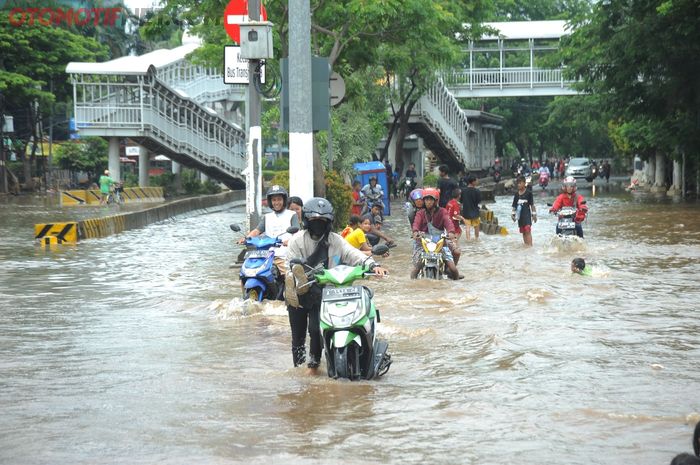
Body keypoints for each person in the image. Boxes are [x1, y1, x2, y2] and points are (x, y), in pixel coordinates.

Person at [284, 197, 388, 373]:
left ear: (329, 222)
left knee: (317, 329)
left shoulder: (336, 240)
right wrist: (296, 274)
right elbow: (289, 265)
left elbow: (354, 255)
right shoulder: (296, 241)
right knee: (298, 336)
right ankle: (299, 369)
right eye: (315, 221)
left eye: (322, 221)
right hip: (298, 290)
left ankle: (314, 365)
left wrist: (373, 265)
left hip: (324, 292)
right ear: (308, 221)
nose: (318, 225)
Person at [238, 185, 300, 286]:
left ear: (284, 200)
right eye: (274, 200)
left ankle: (290, 298)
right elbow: (257, 231)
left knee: (289, 278)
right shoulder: (267, 217)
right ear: (270, 201)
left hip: (284, 255)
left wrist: (290, 241)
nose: (276, 202)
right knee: (246, 273)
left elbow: (297, 232)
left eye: (279, 199)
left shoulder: (291, 214)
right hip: (266, 255)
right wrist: (246, 238)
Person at [411, 187, 462, 278]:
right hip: (424, 242)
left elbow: (449, 223)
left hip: (440, 241)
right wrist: (415, 232)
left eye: (431, 199)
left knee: (454, 268)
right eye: (426, 199)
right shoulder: (420, 213)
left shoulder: (443, 212)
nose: (428, 202)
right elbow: (416, 224)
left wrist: (451, 233)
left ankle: (447, 270)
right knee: (415, 271)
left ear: (436, 201)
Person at [511, 175, 537, 247]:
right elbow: (514, 206)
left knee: (528, 230)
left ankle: (530, 246)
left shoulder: (529, 193)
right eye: (518, 183)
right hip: (520, 217)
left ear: (524, 183)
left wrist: (534, 215)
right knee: (523, 232)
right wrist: (513, 214)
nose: (518, 185)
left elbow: (532, 205)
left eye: (520, 183)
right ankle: (526, 246)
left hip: (527, 216)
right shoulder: (516, 195)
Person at [460, 175, 481, 241]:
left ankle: (468, 240)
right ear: (473, 182)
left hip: (466, 212)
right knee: (476, 226)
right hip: (475, 211)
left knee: (467, 227)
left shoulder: (463, 191)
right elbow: (479, 201)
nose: (477, 182)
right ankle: (476, 238)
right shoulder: (477, 191)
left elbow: (461, 201)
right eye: (476, 180)